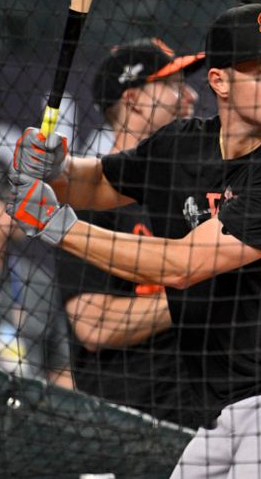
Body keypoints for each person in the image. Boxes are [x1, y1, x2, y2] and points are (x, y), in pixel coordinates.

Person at [7, 2, 261, 478]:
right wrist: (54, 168)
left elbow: (183, 265)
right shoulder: (183, 144)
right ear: (220, 82)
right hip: (236, 402)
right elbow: (98, 182)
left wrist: (59, 226)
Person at [53, 37, 204, 426]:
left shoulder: (199, 190)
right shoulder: (85, 197)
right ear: (134, 100)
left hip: (211, 419)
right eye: (172, 85)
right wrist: (195, 299)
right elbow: (94, 324)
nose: (191, 95)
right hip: (127, 427)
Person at [0, 159, 73, 389]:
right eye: (1, 199)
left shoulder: (38, 281)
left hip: (31, 414)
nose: (13, 209)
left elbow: (61, 369)